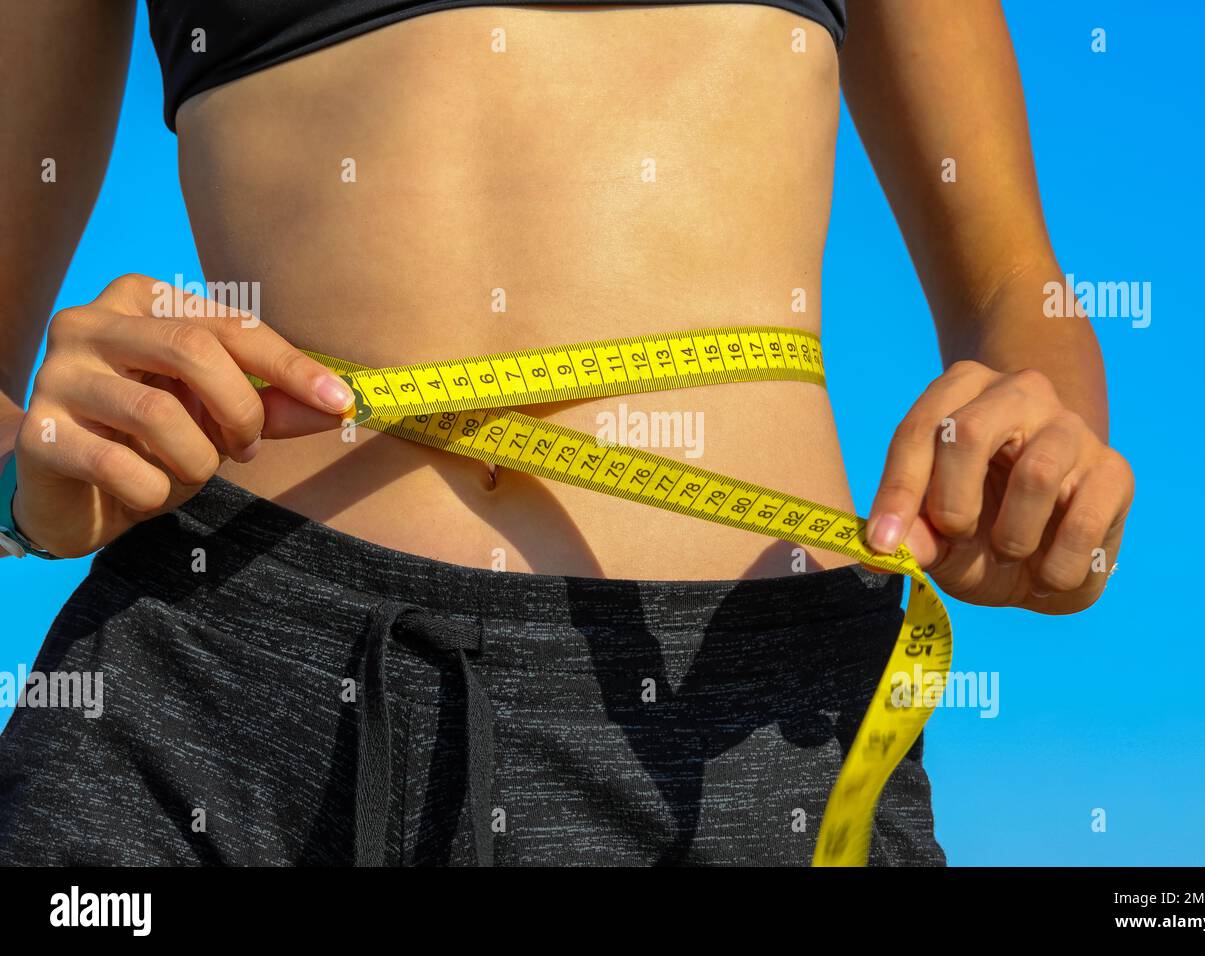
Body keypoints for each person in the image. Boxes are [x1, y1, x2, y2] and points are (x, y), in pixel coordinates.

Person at [0, 0, 1133, 865]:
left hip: (735, 723)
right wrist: (22, 480)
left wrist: (1050, 460)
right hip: (220, 687)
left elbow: (1013, 296)